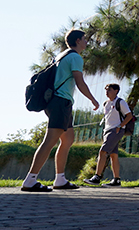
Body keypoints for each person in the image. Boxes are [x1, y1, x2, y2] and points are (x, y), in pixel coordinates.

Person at [21, 30, 100, 192]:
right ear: (78, 41)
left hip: (57, 102)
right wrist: (93, 99)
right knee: (50, 140)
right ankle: (30, 180)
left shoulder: (62, 55)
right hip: (60, 102)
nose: (86, 42)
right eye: (85, 39)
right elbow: (80, 81)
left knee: (68, 139)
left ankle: (60, 179)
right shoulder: (75, 57)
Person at [83, 83, 133, 186]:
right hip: (107, 130)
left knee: (102, 151)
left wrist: (120, 126)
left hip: (116, 130)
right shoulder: (106, 103)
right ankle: (116, 180)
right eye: (106, 90)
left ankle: (97, 177)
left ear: (116, 91)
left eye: (109, 90)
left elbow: (129, 116)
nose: (107, 92)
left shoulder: (120, 102)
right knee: (113, 156)